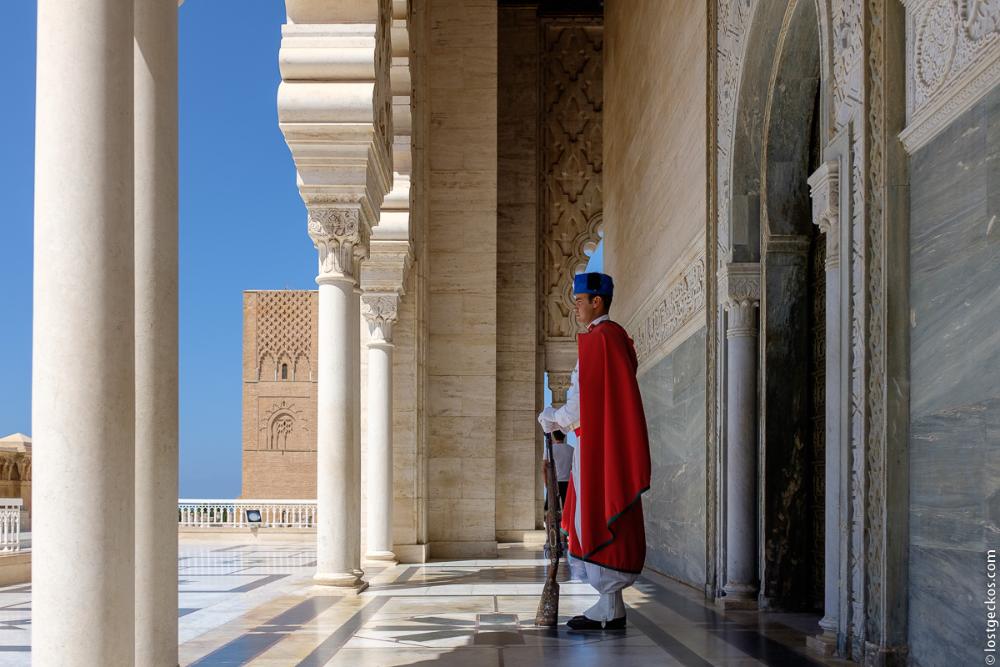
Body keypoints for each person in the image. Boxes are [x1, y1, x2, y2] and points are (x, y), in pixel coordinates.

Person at [537, 272, 651, 631]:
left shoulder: (601, 340)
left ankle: (608, 604)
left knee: (595, 517)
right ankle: (610, 605)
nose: (576, 309)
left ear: (596, 302)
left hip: (599, 453)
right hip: (599, 447)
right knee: (596, 516)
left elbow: (581, 405)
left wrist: (552, 418)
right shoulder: (612, 338)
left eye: (580, 301)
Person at [541, 429, 572, 560]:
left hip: (554, 483)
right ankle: (563, 539)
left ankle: (549, 538)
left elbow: (544, 468)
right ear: (564, 436)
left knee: (549, 512)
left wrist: (547, 484)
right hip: (567, 483)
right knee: (566, 512)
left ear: (553, 436)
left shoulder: (550, 449)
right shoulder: (571, 449)